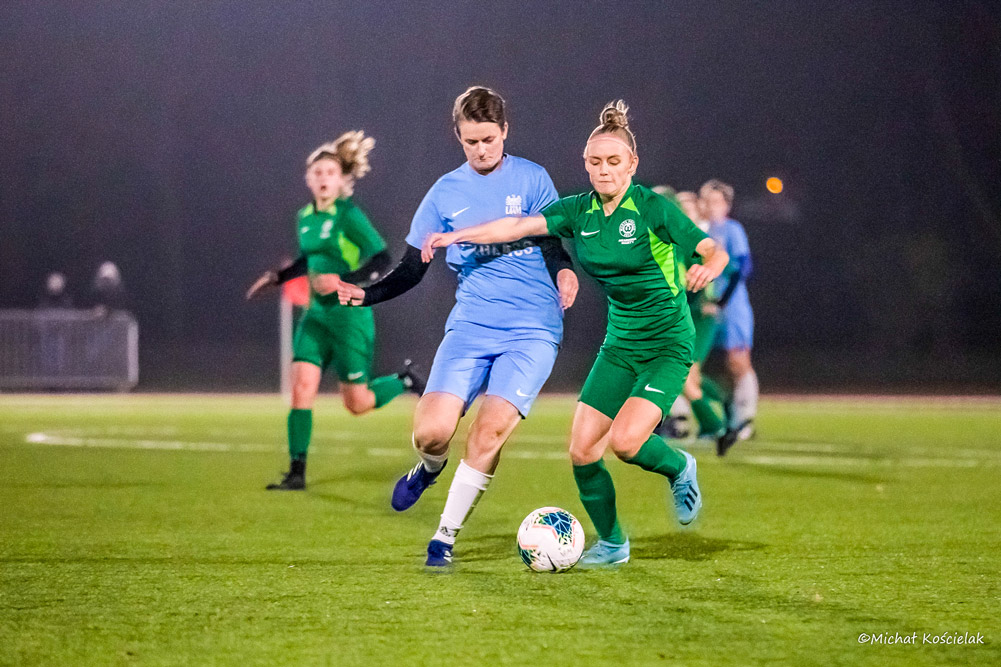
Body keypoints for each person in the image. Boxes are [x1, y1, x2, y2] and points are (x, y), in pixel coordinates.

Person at [422, 101, 728, 567]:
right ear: (586, 164)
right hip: (620, 345)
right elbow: (517, 225)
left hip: (667, 344)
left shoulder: (653, 208)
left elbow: (711, 249)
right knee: (583, 450)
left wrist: (709, 267)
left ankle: (680, 466)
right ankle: (613, 545)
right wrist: (456, 235)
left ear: (632, 164)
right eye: (595, 161)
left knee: (626, 443)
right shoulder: (579, 211)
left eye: (613, 161)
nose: (604, 170)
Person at [337, 86, 578, 567]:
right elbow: (413, 267)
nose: (482, 150)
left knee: (487, 433)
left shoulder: (532, 178)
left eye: (489, 139)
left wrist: (565, 271)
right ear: (458, 137)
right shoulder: (444, 193)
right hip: (471, 326)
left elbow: (551, 240)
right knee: (431, 433)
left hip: (532, 328)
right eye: (472, 142)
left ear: (505, 131)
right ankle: (429, 469)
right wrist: (367, 294)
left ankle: (443, 539)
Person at [246, 131, 423, 491]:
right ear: (308, 179)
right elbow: (308, 260)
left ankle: (404, 380)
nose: (324, 178)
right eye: (318, 173)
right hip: (316, 317)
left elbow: (382, 258)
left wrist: (346, 280)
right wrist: (277, 277)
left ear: (342, 180)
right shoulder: (304, 217)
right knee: (301, 388)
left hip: (349, 318)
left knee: (357, 403)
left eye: (330, 172)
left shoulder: (349, 216)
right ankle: (296, 472)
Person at [654, 188, 731, 452]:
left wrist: (709, 299)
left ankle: (714, 421)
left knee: (684, 376)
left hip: (695, 316)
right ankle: (714, 415)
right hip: (679, 315)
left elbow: (717, 267)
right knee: (683, 375)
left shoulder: (688, 238)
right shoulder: (664, 237)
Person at [699, 179, 758, 446]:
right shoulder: (700, 230)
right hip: (706, 306)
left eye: (716, 201)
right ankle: (726, 418)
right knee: (709, 366)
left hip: (732, 305)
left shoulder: (732, 229)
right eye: (707, 201)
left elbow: (744, 266)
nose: (710, 206)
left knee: (737, 360)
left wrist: (723, 301)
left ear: (726, 205)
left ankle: (745, 419)